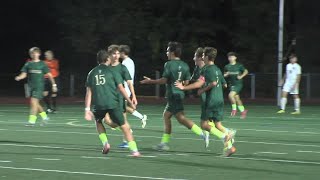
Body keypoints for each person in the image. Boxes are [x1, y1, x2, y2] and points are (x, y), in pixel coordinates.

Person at [140, 41, 208, 151]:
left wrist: (150, 81)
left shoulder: (169, 64)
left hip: (173, 95)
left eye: (167, 50)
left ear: (172, 52)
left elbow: (164, 80)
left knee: (181, 119)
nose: (166, 53)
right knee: (167, 116)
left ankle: (202, 134)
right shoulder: (185, 65)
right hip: (179, 94)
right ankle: (164, 143)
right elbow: (186, 82)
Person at [175, 47, 236, 156]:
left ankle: (225, 136)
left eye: (203, 56)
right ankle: (229, 147)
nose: (202, 58)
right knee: (218, 125)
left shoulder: (206, 69)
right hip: (220, 99)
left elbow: (203, 83)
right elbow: (224, 84)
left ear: (207, 57)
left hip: (211, 100)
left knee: (204, 125)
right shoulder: (217, 69)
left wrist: (188, 88)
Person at [84, 49, 140, 157]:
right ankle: (134, 150)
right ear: (108, 59)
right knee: (124, 126)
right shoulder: (112, 71)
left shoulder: (91, 73)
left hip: (98, 105)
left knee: (98, 121)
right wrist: (130, 101)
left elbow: (88, 93)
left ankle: (105, 143)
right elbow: (121, 88)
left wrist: (87, 109)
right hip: (113, 103)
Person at [15, 47, 57, 126]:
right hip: (31, 87)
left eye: (36, 53)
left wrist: (54, 85)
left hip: (39, 86)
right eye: (32, 53)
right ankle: (45, 117)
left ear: (39, 54)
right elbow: (24, 74)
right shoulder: (28, 64)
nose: (34, 54)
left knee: (33, 102)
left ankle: (32, 121)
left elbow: (50, 75)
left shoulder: (42, 64)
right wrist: (19, 77)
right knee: (35, 104)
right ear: (30, 54)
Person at [120, 45, 148, 128]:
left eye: (119, 52)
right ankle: (141, 117)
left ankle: (125, 127)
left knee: (122, 108)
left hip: (125, 87)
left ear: (123, 53)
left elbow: (125, 76)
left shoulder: (125, 63)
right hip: (128, 86)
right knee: (123, 107)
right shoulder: (130, 61)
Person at [224, 52, 248, 119]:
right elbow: (224, 75)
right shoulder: (227, 66)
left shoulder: (239, 65)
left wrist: (241, 76)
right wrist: (226, 74)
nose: (231, 58)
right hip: (231, 85)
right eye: (229, 57)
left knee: (230, 95)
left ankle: (234, 109)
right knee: (237, 99)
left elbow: (246, 71)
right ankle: (243, 111)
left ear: (235, 58)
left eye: (232, 57)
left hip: (238, 84)